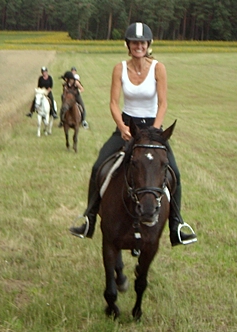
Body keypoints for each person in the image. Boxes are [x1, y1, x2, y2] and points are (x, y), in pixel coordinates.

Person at [69, 22, 197, 247]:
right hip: (127, 127)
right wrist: (121, 127)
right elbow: (113, 103)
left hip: (152, 128)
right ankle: (89, 219)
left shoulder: (159, 68)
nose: (139, 46)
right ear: (128, 45)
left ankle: (177, 226)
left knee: (173, 172)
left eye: (142, 42)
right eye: (134, 42)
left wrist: (156, 131)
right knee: (98, 166)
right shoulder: (119, 68)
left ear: (148, 45)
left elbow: (164, 103)